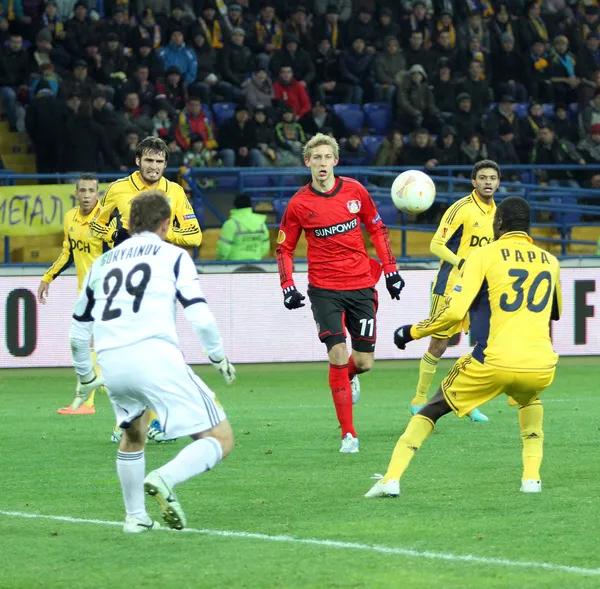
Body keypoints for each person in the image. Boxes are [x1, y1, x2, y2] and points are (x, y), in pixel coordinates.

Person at [366, 196, 561, 498]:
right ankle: (531, 479)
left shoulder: (484, 255)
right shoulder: (551, 261)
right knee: (531, 403)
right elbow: (553, 314)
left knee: (432, 408)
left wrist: (412, 332)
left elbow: (455, 312)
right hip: (541, 364)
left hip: (493, 361)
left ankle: (391, 478)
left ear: (498, 223)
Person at [69, 190, 236, 533]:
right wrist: (218, 356)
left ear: (129, 224)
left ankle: (135, 518)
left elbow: (76, 332)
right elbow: (200, 317)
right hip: (155, 356)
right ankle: (164, 477)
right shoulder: (173, 256)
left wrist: (87, 377)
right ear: (165, 225)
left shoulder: (103, 263)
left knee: (134, 433)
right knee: (220, 438)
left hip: (112, 361)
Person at [276, 133, 405, 453]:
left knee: (363, 362)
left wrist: (391, 271)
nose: (321, 163)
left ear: (336, 160)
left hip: (362, 285)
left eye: (327, 157)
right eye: (315, 158)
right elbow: (285, 247)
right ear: (307, 162)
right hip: (324, 290)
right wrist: (287, 286)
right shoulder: (298, 203)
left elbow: (377, 228)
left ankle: (349, 376)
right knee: (336, 353)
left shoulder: (356, 192)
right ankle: (349, 434)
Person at [89, 135, 203, 442]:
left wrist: (163, 233)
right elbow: (95, 227)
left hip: (158, 280)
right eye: (148, 160)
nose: (154, 167)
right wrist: (112, 230)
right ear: (137, 161)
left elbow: (195, 236)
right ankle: (133, 419)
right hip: (123, 281)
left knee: (155, 351)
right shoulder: (118, 189)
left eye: (159, 161)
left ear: (166, 164)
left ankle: (159, 420)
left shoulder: (175, 192)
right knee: (127, 354)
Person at [408, 160, 503, 423]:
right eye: (482, 177)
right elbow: (436, 245)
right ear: (474, 182)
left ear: (498, 182)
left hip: (481, 289)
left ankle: (467, 401)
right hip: (451, 285)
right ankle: (419, 399)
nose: (487, 182)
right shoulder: (460, 208)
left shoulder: (499, 213)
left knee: (484, 346)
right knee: (439, 344)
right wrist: (463, 263)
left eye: (492, 178)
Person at [37, 173, 109, 415]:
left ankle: (90, 401)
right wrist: (48, 277)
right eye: (83, 191)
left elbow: (117, 254)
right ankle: (89, 401)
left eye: (91, 191)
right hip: (85, 294)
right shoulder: (70, 218)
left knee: (95, 346)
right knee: (87, 346)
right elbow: (68, 253)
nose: (87, 195)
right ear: (76, 194)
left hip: (107, 293)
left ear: (98, 194)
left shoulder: (107, 219)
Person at [217, 194, 270, 261]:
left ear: (235, 205)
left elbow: (223, 248)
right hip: (256, 263)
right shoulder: (261, 223)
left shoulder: (230, 224)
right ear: (251, 204)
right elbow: (265, 246)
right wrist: (256, 256)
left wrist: (222, 260)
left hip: (233, 264)